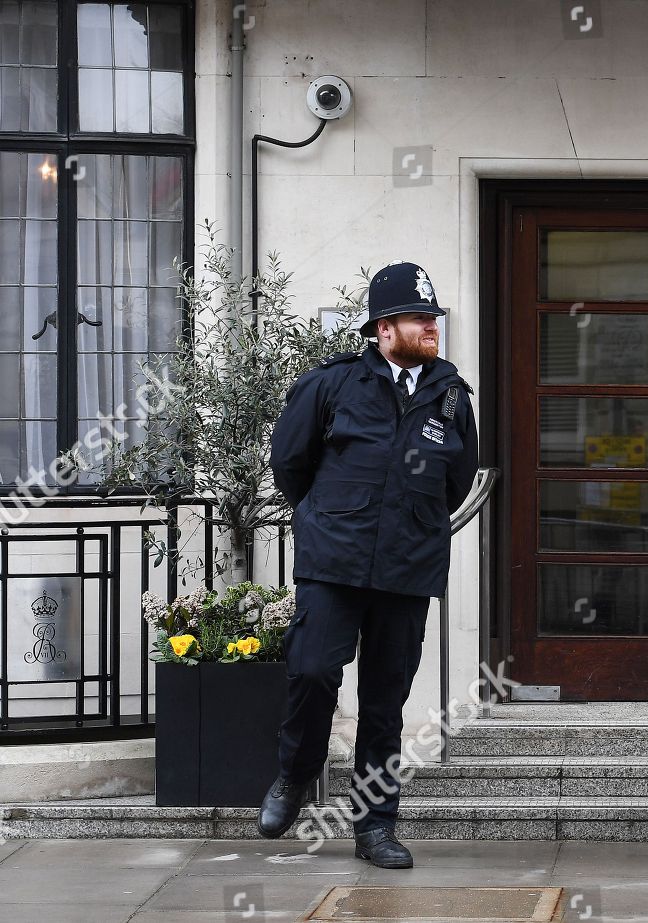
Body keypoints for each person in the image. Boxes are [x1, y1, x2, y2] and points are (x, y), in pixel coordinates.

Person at [258, 261, 479, 870]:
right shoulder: (330, 386)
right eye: (419, 318)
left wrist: (411, 523)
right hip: (335, 561)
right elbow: (291, 466)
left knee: (386, 704)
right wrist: (331, 519)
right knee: (312, 672)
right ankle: (295, 775)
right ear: (384, 328)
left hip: (407, 569)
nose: (432, 328)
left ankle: (375, 826)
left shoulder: (452, 395)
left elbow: (457, 481)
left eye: (434, 318)